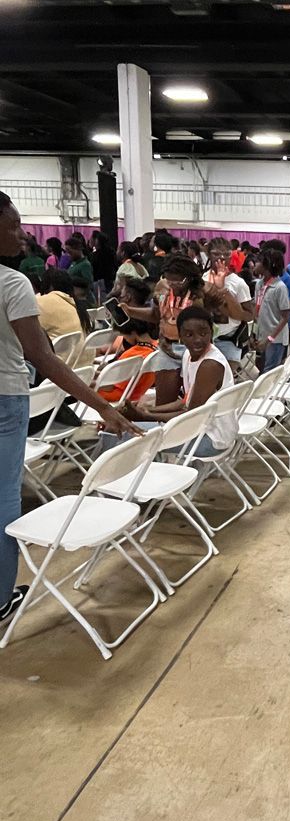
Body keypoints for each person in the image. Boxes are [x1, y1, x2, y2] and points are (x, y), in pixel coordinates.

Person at [0, 191, 138, 623]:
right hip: (6, 398)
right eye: (13, 225)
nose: (22, 234)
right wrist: (102, 406)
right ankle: (1, 597)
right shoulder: (12, 283)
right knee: (4, 501)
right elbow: (42, 357)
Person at [120, 254, 251, 405]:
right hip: (168, 348)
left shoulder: (204, 291)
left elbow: (230, 315)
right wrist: (130, 311)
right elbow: (156, 315)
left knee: (193, 403)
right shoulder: (162, 287)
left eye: (178, 281)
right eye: (169, 280)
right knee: (164, 401)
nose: (173, 285)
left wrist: (221, 293)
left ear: (189, 278)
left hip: (195, 349)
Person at [107, 307, 236, 458]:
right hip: (197, 428)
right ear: (180, 336)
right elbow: (185, 402)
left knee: (123, 433)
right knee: (120, 426)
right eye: (189, 335)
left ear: (211, 333)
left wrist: (143, 415)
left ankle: (118, 472)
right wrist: (146, 410)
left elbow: (192, 415)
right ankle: (142, 469)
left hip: (210, 438)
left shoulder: (210, 365)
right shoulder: (188, 354)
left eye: (203, 333)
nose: (197, 339)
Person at [203, 239, 254, 369]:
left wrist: (223, 291)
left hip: (229, 339)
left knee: (226, 377)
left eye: (226, 254)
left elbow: (249, 315)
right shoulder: (203, 279)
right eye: (216, 254)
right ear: (208, 254)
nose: (222, 258)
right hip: (206, 338)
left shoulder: (238, 283)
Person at [253, 249, 290, 372]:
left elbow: (285, 317)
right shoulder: (259, 284)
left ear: (267, 264)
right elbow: (257, 310)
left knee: (270, 372)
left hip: (275, 339)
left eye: (258, 261)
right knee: (261, 368)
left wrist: (269, 339)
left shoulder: (280, 287)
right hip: (261, 335)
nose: (255, 264)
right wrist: (253, 333)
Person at [36, 268, 89, 341]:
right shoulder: (74, 303)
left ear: (50, 286)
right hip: (78, 348)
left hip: (57, 348)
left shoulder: (43, 301)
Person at [90, 231, 117, 301]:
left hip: (100, 281)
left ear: (97, 241)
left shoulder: (96, 255)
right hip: (110, 280)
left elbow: (93, 268)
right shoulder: (112, 252)